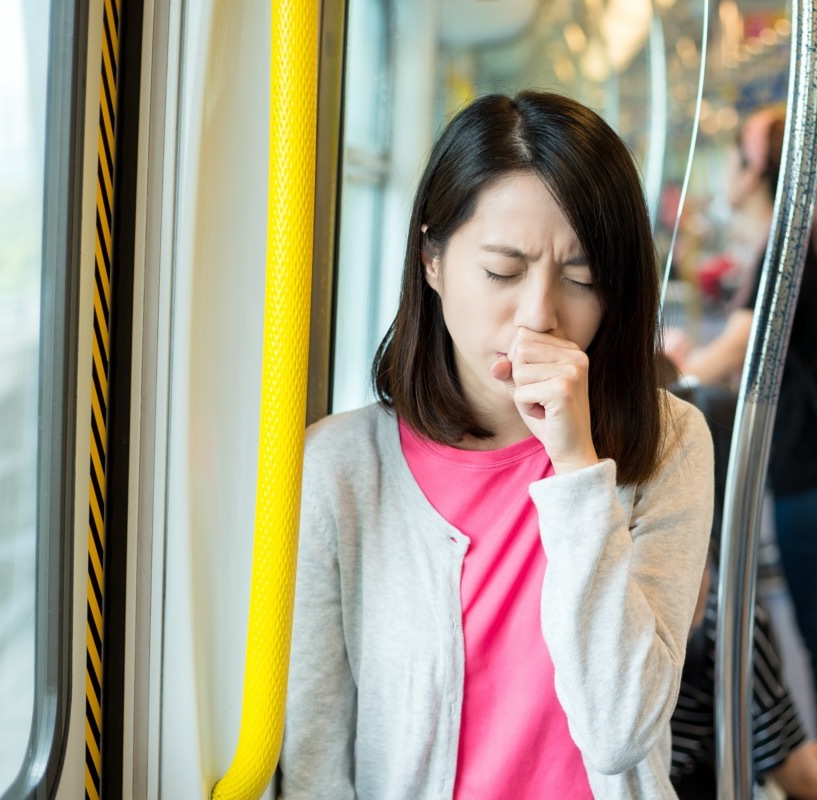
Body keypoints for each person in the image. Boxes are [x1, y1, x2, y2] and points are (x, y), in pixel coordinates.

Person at [280, 91, 715, 800]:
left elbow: (620, 731)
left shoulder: (667, 446)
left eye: (582, 279)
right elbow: (315, 758)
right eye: (502, 272)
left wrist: (577, 468)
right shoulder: (341, 470)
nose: (540, 313)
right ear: (432, 261)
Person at [667, 107, 817, 785]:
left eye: (732, 159)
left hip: (813, 460)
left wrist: (677, 376)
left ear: (756, 170)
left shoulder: (790, 244)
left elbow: (739, 345)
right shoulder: (808, 234)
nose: (727, 173)